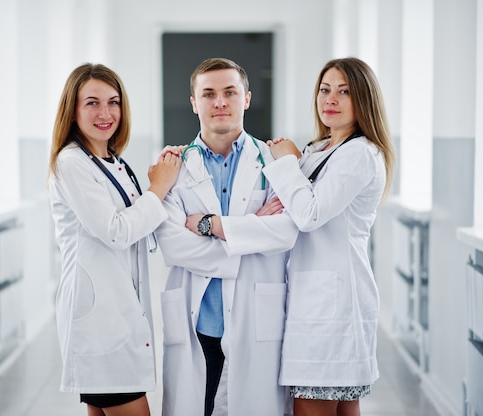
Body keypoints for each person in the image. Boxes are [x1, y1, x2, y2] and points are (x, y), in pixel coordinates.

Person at [155, 57, 299, 416]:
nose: (220, 102)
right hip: (198, 321)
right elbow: (173, 246)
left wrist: (209, 226)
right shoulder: (174, 166)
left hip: (256, 317)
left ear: (246, 98)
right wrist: (252, 233)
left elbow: (286, 232)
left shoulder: (273, 161)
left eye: (230, 92)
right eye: (208, 94)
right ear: (194, 103)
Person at [47, 63, 182, 416]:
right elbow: (116, 230)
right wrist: (158, 188)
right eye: (91, 103)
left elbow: (138, 221)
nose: (105, 113)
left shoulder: (112, 161)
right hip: (99, 318)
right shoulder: (71, 162)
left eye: (113, 102)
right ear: (73, 110)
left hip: (116, 313)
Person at [263, 57, 395, 416]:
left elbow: (309, 214)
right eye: (325, 89)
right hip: (317, 298)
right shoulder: (320, 149)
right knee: (340, 408)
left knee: (313, 408)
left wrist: (286, 162)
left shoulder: (359, 154)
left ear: (363, 99)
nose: (330, 99)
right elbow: (289, 203)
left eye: (344, 91)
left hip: (333, 305)